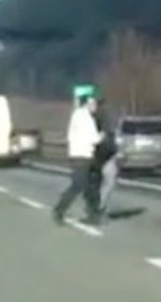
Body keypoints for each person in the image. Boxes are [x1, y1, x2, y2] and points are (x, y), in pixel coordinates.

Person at [52, 95, 104, 226]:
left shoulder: (76, 115)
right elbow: (94, 139)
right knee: (79, 186)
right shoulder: (87, 119)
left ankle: (93, 214)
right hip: (84, 155)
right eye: (93, 104)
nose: (95, 107)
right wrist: (101, 136)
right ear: (87, 104)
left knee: (89, 186)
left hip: (76, 154)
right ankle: (59, 210)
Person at [90, 98, 119, 217]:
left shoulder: (107, 119)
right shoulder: (87, 121)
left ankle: (100, 207)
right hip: (94, 156)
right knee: (96, 184)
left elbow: (111, 135)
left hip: (107, 155)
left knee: (110, 182)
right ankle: (95, 208)